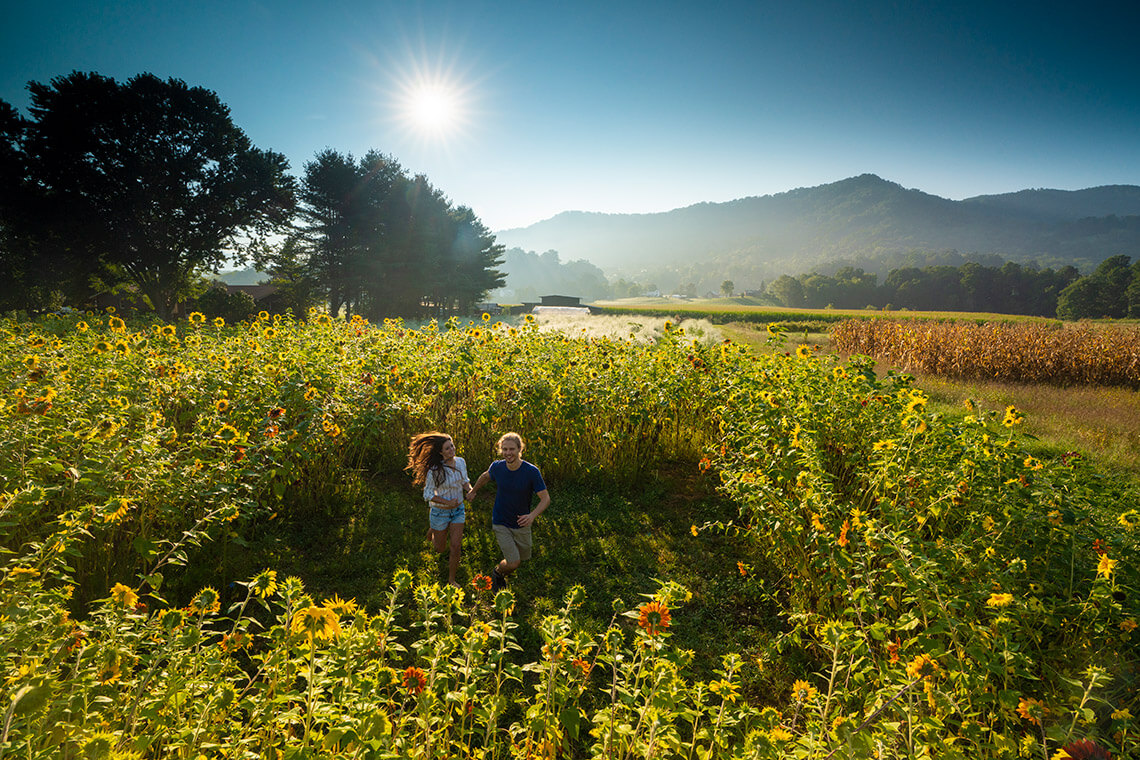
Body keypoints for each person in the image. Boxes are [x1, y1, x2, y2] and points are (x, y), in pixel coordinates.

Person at [467, 432, 549, 591]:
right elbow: (485, 476)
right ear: (500, 450)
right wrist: (473, 491)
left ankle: (507, 565)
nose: (508, 453)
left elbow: (545, 499)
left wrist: (532, 516)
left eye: (512, 449)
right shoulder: (497, 467)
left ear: (520, 449)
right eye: (504, 449)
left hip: (521, 522)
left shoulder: (531, 471)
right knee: (513, 562)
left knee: (523, 556)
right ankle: (497, 573)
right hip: (500, 520)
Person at [407, 432, 471, 587]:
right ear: (440, 452)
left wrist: (470, 490)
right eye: (447, 449)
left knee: (456, 546)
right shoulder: (434, 470)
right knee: (440, 549)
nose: (452, 450)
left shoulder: (461, 462)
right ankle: (434, 529)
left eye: (452, 446)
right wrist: (447, 502)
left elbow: (464, 481)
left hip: (458, 510)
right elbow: (427, 494)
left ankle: (451, 579)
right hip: (439, 511)